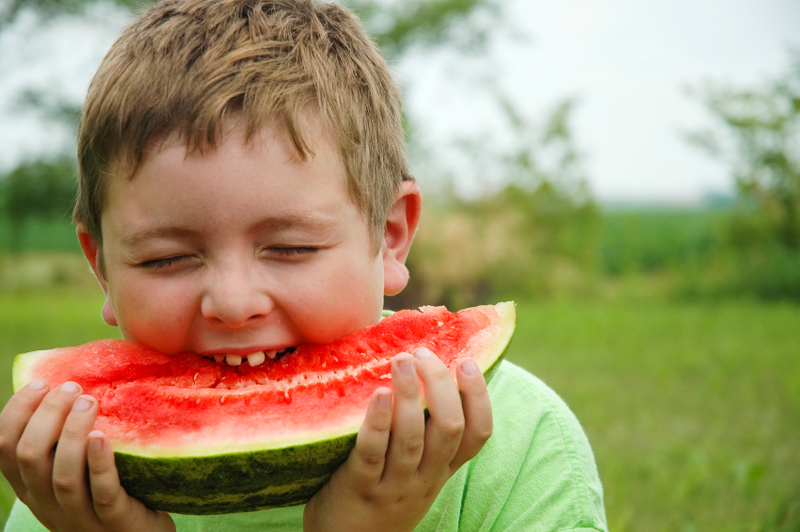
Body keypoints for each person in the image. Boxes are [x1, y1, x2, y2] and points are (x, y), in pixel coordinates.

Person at [0, 0, 607, 530]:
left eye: (291, 248)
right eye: (168, 258)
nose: (234, 304)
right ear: (101, 266)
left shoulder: (525, 446)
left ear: (390, 235)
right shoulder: (70, 473)